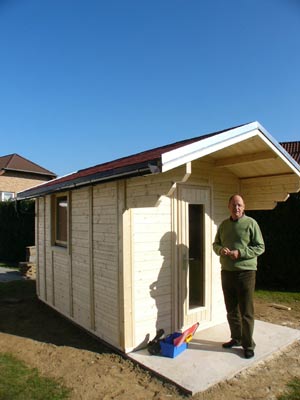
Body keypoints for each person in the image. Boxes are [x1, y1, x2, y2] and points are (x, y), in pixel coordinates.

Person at [213, 194, 265, 359]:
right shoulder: (224, 225)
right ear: (229, 206)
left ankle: (248, 344)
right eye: (234, 205)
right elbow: (216, 244)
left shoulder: (251, 224)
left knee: (246, 312)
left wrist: (240, 253)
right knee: (231, 310)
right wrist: (221, 250)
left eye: (239, 205)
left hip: (246, 273)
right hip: (227, 272)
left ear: (244, 207)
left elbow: (260, 247)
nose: (236, 208)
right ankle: (236, 338)